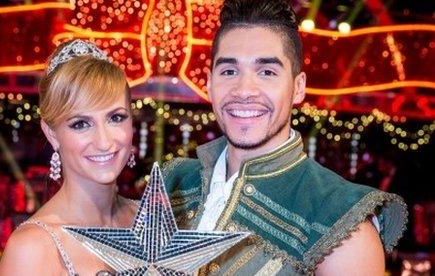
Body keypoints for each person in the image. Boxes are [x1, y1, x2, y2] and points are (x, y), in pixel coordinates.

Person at [162, 0, 407, 275]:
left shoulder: (341, 219)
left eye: (267, 72)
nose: (244, 90)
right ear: (209, 83)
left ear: (298, 87)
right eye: (229, 71)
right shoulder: (174, 182)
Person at [0, 40, 138, 275]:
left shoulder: (150, 221)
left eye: (116, 118)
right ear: (52, 134)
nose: (104, 142)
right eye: (81, 124)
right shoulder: (32, 248)